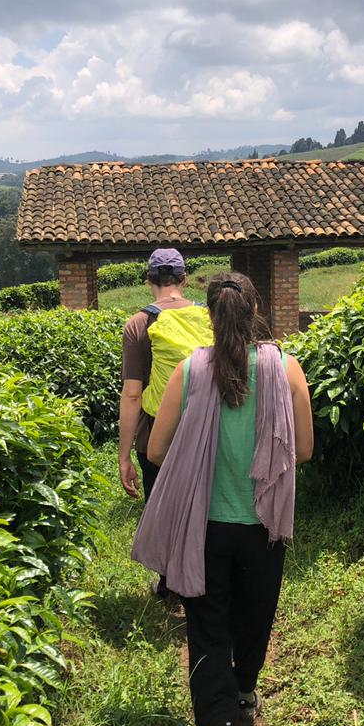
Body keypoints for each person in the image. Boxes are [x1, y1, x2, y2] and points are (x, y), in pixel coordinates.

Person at [131, 270, 313, 726]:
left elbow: (156, 449)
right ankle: (246, 694)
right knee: (254, 615)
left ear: (208, 317)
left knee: (208, 622)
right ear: (255, 312)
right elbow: (305, 449)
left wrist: (201, 450)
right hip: (264, 524)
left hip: (205, 526)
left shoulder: (189, 371)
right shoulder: (287, 369)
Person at [119, 248, 212, 597]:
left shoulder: (139, 324)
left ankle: (170, 582)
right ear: (184, 280)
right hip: (205, 426)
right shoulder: (208, 316)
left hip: (157, 434)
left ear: (150, 281)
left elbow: (131, 395)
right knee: (204, 501)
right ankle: (205, 573)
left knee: (162, 504)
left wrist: (124, 454)